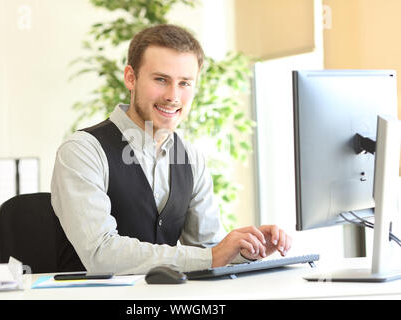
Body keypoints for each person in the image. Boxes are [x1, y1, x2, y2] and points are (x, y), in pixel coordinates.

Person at [50, 24, 292, 275]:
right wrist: (212, 255)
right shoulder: (82, 151)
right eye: (161, 80)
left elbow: (207, 247)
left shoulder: (191, 158)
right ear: (131, 78)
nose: (173, 96)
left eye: (185, 83)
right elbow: (101, 254)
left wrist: (243, 250)